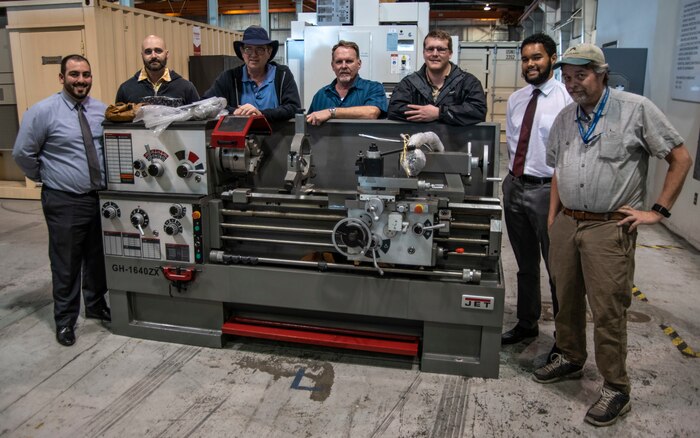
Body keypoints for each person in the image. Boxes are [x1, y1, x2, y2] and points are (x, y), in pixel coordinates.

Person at [532, 43, 692, 427]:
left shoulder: (635, 109)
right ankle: (570, 357)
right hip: (568, 222)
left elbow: (680, 157)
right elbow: (558, 170)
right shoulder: (566, 117)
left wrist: (658, 211)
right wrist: (554, 219)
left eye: (581, 76)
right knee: (566, 298)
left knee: (608, 309)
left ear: (602, 73)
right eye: (567, 78)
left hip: (609, 224)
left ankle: (616, 387)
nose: (573, 85)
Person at [13, 55, 113, 347]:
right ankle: (65, 321)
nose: (81, 80)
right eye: (74, 74)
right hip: (64, 200)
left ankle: (96, 305)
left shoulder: (101, 110)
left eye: (85, 74)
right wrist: (47, 177)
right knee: (66, 263)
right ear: (61, 78)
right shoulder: (43, 112)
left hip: (99, 199)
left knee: (97, 259)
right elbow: (23, 154)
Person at [501, 33, 572, 356]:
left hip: (548, 191)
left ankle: (566, 338)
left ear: (552, 59)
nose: (530, 64)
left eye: (537, 57)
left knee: (557, 267)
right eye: (526, 58)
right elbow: (515, 143)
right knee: (525, 264)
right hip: (515, 186)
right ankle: (526, 323)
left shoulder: (566, 99)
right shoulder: (517, 99)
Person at [387, 29, 486, 126]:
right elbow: (394, 109)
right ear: (424, 53)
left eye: (441, 49)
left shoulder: (468, 82)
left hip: (455, 141)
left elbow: (478, 111)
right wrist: (425, 114)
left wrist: (439, 113)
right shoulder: (409, 83)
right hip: (420, 141)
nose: (435, 54)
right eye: (430, 49)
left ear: (450, 54)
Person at [203, 25, 301, 122]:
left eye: (260, 49)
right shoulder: (230, 77)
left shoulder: (282, 75)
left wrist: (261, 114)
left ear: (269, 51)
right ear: (242, 51)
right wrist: (235, 111)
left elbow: (294, 108)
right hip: (240, 136)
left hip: (277, 136)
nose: (253, 55)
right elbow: (206, 104)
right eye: (248, 49)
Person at [306, 40, 387, 125]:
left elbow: (371, 113)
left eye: (349, 61)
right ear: (333, 66)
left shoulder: (373, 88)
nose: (344, 66)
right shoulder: (321, 95)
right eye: (339, 62)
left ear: (359, 64)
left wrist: (331, 112)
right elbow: (310, 125)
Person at [115, 35, 200, 105]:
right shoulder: (126, 89)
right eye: (148, 52)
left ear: (167, 54)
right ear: (142, 55)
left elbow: (197, 122)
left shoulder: (186, 88)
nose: (153, 56)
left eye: (158, 51)